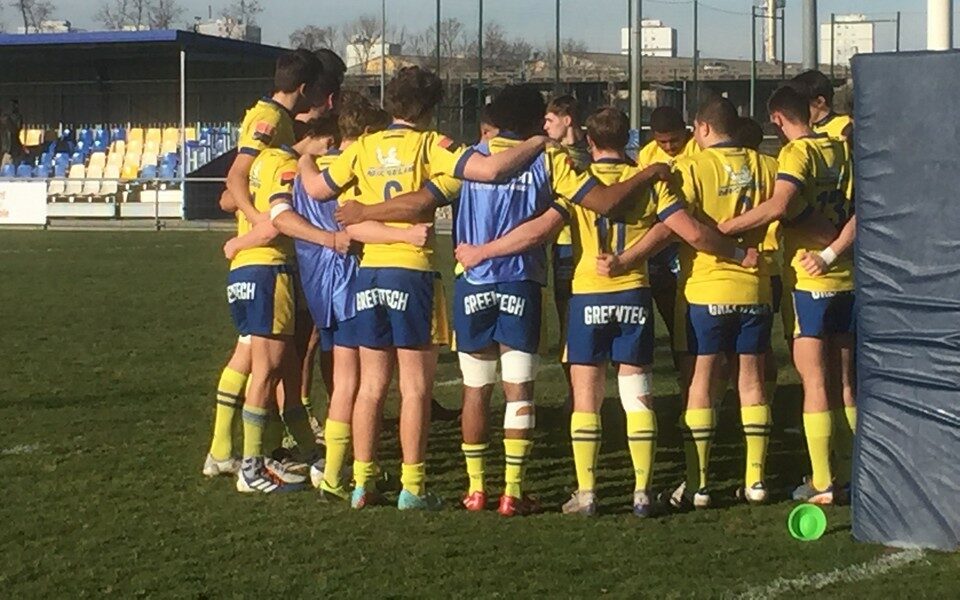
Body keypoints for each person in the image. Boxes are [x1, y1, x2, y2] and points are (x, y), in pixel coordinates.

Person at [455, 102, 755, 517]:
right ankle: (642, 493)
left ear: (590, 141)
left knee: (586, 399)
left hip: (587, 297)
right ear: (629, 137)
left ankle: (588, 492)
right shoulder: (650, 182)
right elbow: (679, 228)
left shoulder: (578, 182)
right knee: (637, 396)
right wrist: (735, 252)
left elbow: (542, 229)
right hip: (634, 295)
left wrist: (484, 252)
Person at [297, 67, 554, 511]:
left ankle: (362, 483)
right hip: (412, 274)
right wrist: (536, 142)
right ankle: (412, 487)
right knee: (415, 388)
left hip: (366, 275)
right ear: (431, 109)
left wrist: (301, 156)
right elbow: (490, 171)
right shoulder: (431, 145)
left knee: (371, 387)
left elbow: (318, 189)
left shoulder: (365, 146)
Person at [718, 85, 855, 505]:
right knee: (847, 385)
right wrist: (834, 251)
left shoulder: (796, 155)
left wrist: (726, 229)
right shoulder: (839, 149)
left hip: (810, 282)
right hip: (848, 277)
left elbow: (780, 206)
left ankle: (822, 480)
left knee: (814, 382)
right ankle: (851, 475)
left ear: (777, 118)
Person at [228, 124, 343, 493]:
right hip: (268, 270)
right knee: (268, 371)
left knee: (288, 373)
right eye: (329, 141)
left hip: (249, 272)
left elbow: (228, 198)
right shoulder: (285, 164)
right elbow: (277, 220)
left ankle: (308, 452)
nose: (330, 148)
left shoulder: (258, 162)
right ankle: (251, 466)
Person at [225, 49, 328, 226]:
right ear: (304, 89)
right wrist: (255, 217)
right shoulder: (270, 119)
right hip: (262, 237)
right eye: (316, 90)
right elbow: (237, 174)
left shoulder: (279, 116)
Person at [635, 107, 700, 368]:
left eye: (675, 140)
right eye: (663, 142)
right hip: (662, 243)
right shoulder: (647, 154)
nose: (670, 146)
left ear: (686, 132)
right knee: (670, 315)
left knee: (690, 317)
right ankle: (683, 373)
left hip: (690, 241)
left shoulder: (698, 149)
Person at [543, 95, 590, 396]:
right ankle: (575, 394)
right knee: (568, 322)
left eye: (549, 120)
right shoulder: (547, 153)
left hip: (595, 244)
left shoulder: (595, 149)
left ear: (567, 120)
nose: (544, 126)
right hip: (564, 248)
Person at [789, 70, 853, 141]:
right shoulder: (802, 130)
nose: (797, 109)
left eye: (800, 104)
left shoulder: (846, 127)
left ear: (819, 102)